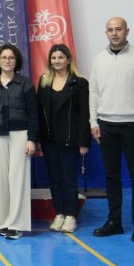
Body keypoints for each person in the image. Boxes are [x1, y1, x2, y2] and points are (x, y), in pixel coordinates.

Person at [90, 17, 134, 243]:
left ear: (127, 31)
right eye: (110, 30)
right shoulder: (99, 60)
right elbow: (94, 93)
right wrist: (93, 122)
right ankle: (114, 222)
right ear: (106, 33)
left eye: (118, 29)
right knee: (111, 176)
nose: (114, 33)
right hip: (106, 126)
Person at [0, 44, 39, 240]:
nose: (7, 61)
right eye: (4, 57)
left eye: (11, 58)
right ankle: (4, 222)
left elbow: (33, 114)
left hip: (20, 135)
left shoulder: (25, 84)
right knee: (2, 180)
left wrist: (32, 139)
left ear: (16, 61)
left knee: (17, 178)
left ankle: (17, 224)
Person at [37, 44, 90, 233]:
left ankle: (70, 216)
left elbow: (84, 114)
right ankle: (59, 213)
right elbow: (39, 112)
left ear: (68, 60)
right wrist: (38, 138)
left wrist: (84, 142)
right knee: (54, 178)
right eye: (53, 58)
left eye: (60, 57)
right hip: (49, 139)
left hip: (71, 140)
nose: (57, 61)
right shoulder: (44, 81)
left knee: (68, 178)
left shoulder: (80, 83)